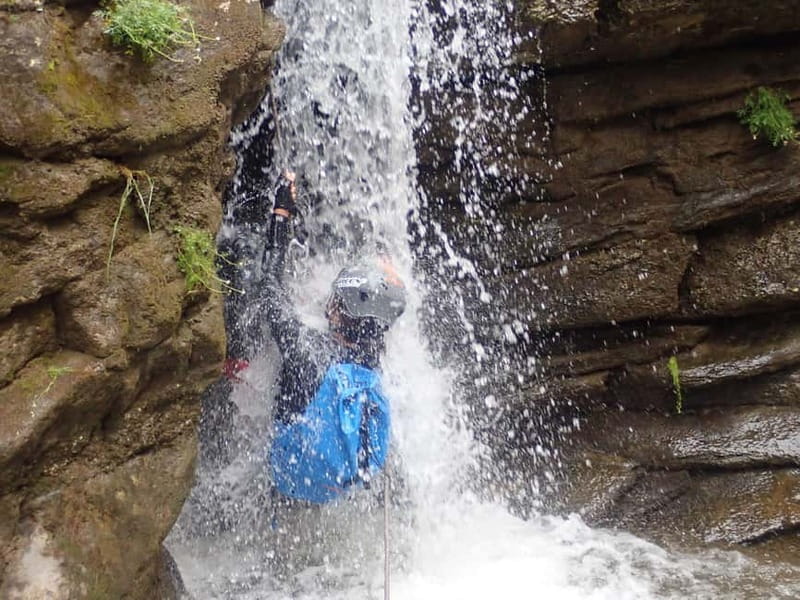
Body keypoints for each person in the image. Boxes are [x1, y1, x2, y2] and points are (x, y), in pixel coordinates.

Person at [251, 171, 406, 503]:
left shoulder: (303, 347)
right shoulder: (373, 357)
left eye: (335, 299)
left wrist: (281, 214)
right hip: (340, 484)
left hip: (288, 477)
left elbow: (270, 287)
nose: (329, 302)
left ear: (339, 312)